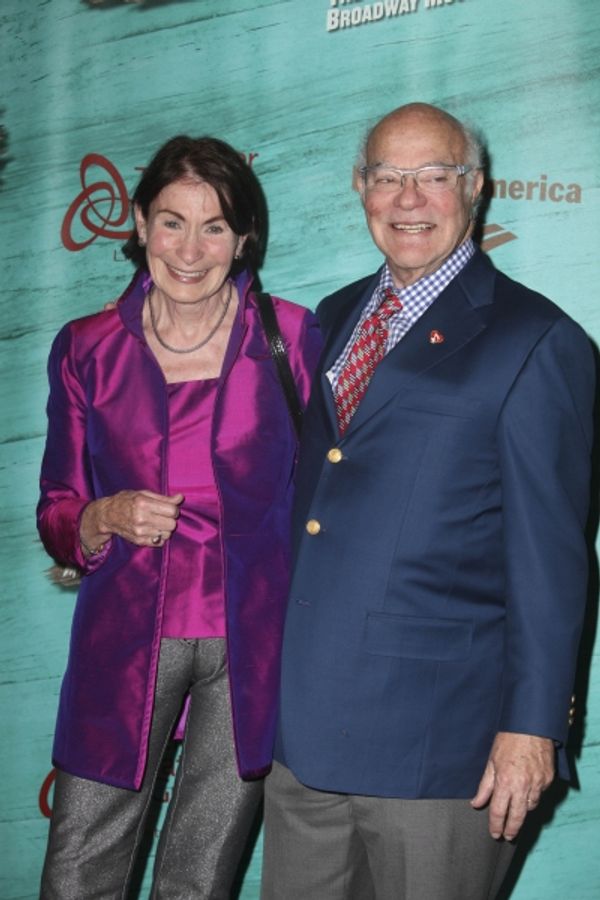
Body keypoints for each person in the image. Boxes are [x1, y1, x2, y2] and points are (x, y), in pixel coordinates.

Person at [261, 102, 595, 900]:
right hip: (302, 738)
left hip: (440, 750)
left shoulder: (538, 342)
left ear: (474, 187)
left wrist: (534, 726)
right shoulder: (336, 317)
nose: (409, 198)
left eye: (433, 176)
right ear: (360, 187)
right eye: (388, 176)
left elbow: (553, 560)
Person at [37, 134, 321, 899]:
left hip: (252, 644)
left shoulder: (291, 336)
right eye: (172, 221)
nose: (191, 249)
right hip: (125, 637)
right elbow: (56, 510)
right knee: (78, 872)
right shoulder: (86, 348)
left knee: (200, 881)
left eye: (216, 226)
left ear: (244, 237)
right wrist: (103, 514)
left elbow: (327, 492)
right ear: (136, 223)